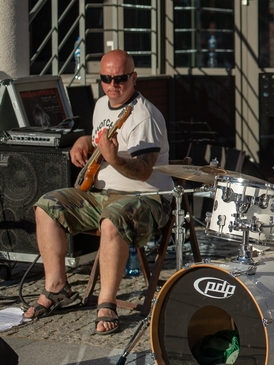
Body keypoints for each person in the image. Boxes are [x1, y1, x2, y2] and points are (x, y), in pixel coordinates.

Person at [23, 50, 173, 334]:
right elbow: (98, 140)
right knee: (46, 205)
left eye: (120, 79)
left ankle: (107, 302)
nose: (113, 85)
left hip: (145, 197)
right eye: (107, 78)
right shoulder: (102, 104)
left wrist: (114, 158)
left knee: (112, 220)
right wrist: (83, 141)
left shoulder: (145, 116)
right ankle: (57, 287)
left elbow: (143, 170)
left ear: (133, 78)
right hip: (103, 192)